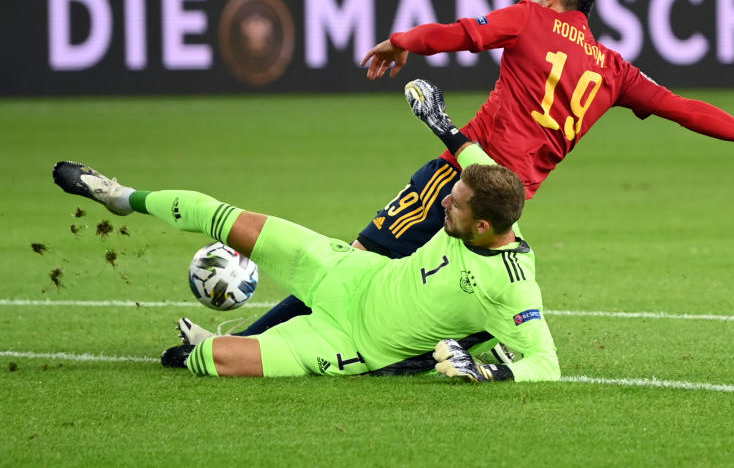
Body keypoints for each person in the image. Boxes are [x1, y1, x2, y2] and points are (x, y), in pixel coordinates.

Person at [196, 0, 734, 342]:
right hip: (507, 210)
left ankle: (234, 344)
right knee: (434, 291)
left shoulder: (529, 19)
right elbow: (687, 110)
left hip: (457, 181)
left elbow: (466, 33)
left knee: (345, 266)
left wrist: (400, 40)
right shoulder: (617, 71)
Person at [50, 136, 559, 382]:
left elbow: (547, 364)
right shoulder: (486, 196)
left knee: (212, 363)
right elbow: (472, 158)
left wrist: (492, 374)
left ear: (485, 226)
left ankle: (219, 342)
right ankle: (123, 195)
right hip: (348, 271)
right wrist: (445, 126)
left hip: (352, 343)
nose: (445, 202)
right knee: (228, 218)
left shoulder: (513, 284)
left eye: (457, 202)